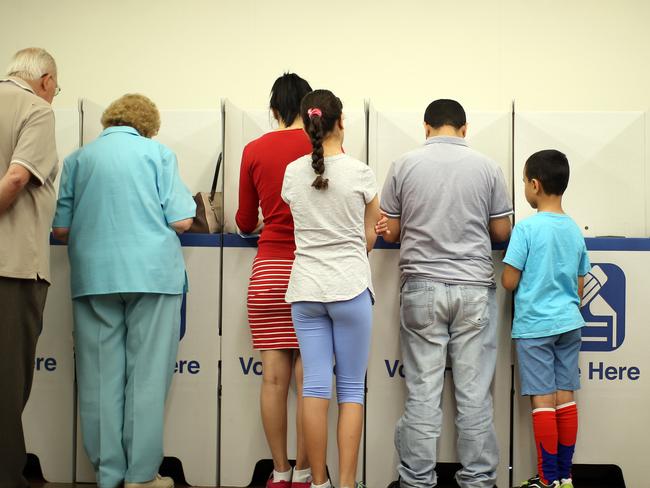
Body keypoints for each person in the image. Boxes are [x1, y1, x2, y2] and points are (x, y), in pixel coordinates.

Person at [52, 94, 196, 488]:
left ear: (107, 121)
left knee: (99, 378)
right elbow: (183, 220)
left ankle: (108, 473)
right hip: (152, 275)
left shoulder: (78, 160)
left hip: (94, 278)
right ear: (147, 125)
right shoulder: (158, 154)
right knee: (147, 378)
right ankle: (140, 476)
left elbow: (60, 229)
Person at [378, 99, 512, 488]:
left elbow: (392, 231)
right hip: (473, 289)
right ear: (464, 129)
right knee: (474, 396)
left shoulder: (404, 165)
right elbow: (502, 233)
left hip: (420, 289)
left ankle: (416, 480)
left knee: (423, 394)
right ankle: (478, 480)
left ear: (426, 127)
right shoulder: (488, 167)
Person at [281, 89, 381, 488]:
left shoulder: (291, 172)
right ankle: (346, 482)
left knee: (315, 387)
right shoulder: (360, 172)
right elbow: (369, 236)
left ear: (308, 125)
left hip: (306, 289)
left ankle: (317, 482)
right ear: (341, 122)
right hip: (350, 287)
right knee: (351, 389)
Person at [236, 72, 313, 488]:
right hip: (312, 275)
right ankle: (305, 473)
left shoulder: (254, 149)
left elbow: (245, 221)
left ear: (274, 110)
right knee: (308, 383)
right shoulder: (324, 148)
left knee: (272, 379)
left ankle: (279, 472)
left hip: (268, 272)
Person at [502, 150, 590, 488]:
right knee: (565, 396)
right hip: (569, 324)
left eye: (524, 181)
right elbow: (580, 284)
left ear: (535, 185)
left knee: (542, 400)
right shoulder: (573, 229)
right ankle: (566, 477)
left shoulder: (525, 230)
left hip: (535, 327)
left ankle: (547, 479)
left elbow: (510, 281)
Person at [0, 47, 60, 488]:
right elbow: (18, 178)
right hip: (13, 267)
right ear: (45, 80)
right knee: (7, 381)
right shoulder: (35, 110)